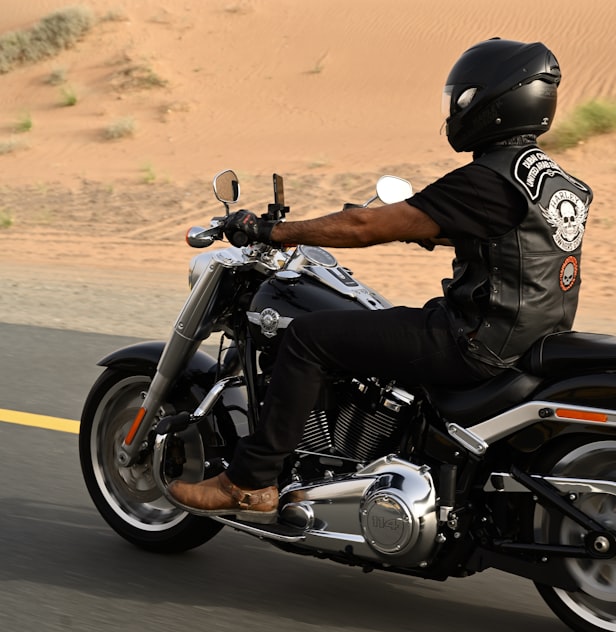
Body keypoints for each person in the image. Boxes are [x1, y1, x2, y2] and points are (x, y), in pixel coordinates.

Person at [167, 38, 593, 524]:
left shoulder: (485, 179)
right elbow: (516, 246)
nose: (454, 110)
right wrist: (424, 230)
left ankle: (250, 481)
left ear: (492, 103)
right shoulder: (556, 180)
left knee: (308, 338)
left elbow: (364, 228)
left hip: (474, 341)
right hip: (531, 337)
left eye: (462, 98)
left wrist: (272, 231)